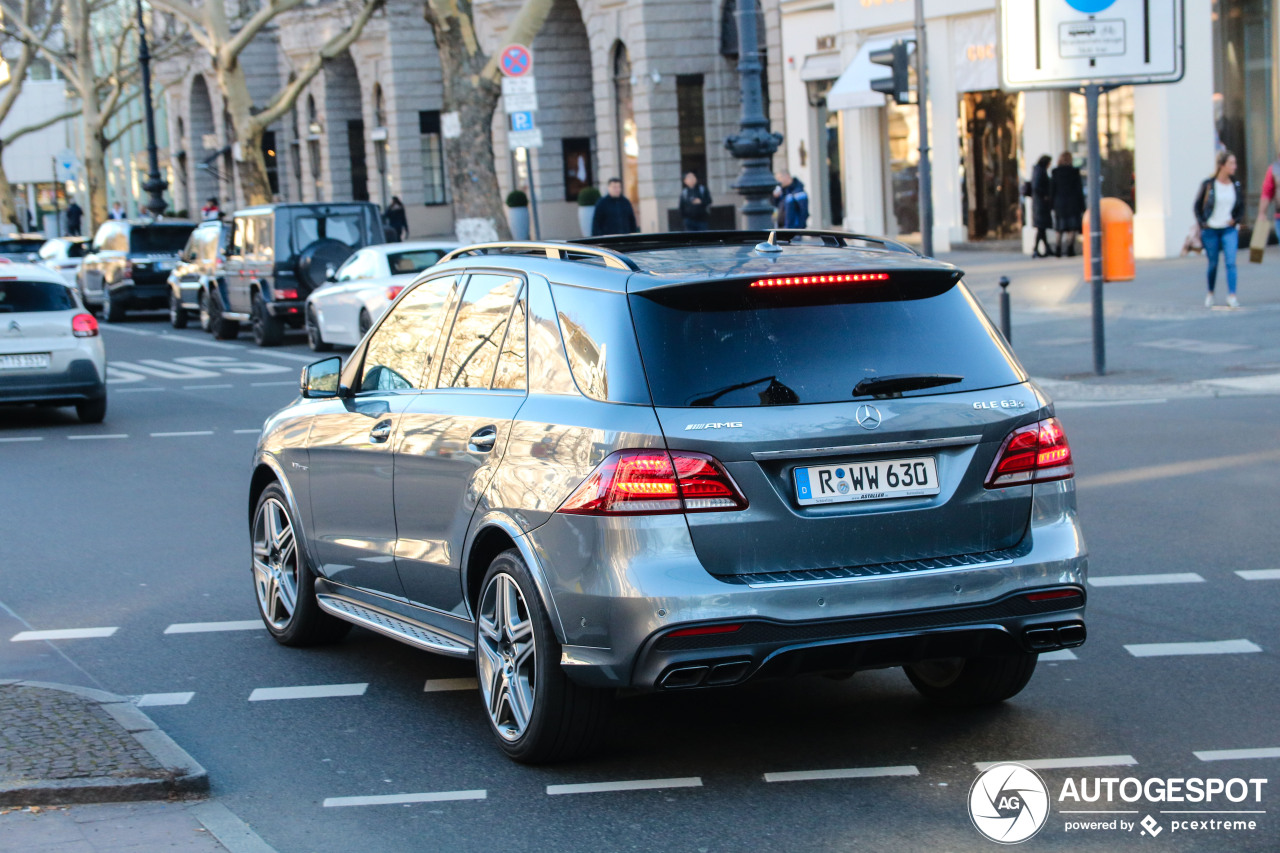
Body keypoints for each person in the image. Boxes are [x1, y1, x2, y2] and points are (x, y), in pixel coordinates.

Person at [1194, 150, 1244, 308]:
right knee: (1213, 263)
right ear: (1222, 165)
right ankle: (1210, 292)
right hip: (1211, 230)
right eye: (1231, 163)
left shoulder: (1235, 185)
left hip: (1228, 229)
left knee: (1231, 262)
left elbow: (1241, 206)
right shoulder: (1209, 184)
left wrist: (1235, 220)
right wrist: (1203, 223)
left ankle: (1232, 295)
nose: (1234, 167)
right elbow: (1197, 206)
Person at [1050, 152, 1085, 257]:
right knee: (1072, 227)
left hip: (1059, 202)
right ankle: (1070, 249)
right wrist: (1082, 206)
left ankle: (1058, 248)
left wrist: (1051, 204)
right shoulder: (1074, 172)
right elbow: (1079, 190)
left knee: (1060, 227)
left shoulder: (1055, 172)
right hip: (1072, 202)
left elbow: (1052, 189)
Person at [1030, 155, 1054, 258]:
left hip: (1039, 203)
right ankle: (1036, 249)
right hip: (1040, 204)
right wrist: (1044, 195)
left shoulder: (1038, 170)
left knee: (1041, 228)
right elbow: (1036, 187)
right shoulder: (1040, 171)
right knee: (1041, 228)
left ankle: (1045, 248)